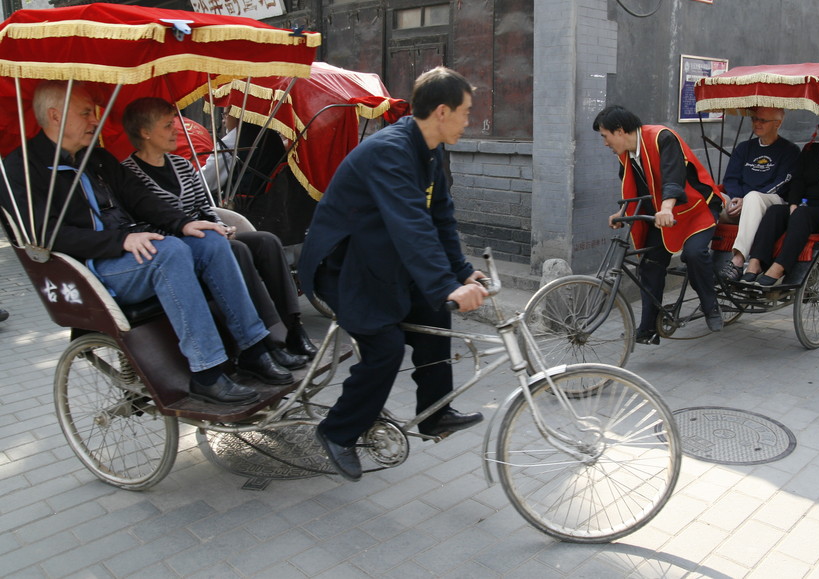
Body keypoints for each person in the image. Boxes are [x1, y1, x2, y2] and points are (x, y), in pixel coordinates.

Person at [2, 81, 294, 405]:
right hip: (91, 266)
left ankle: (253, 348)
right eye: (86, 113)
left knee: (209, 240)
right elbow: (45, 235)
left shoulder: (95, 157)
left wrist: (183, 222)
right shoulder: (21, 169)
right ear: (55, 116)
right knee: (169, 252)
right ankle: (207, 372)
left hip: (132, 251)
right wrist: (122, 240)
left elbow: (141, 199)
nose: (94, 121)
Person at [298, 67, 489, 482]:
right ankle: (337, 432)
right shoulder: (391, 150)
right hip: (343, 266)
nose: (469, 120)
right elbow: (410, 225)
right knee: (385, 348)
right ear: (442, 111)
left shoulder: (431, 149)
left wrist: (460, 274)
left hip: (383, 259)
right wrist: (446, 284)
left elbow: (440, 217)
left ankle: (435, 415)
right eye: (466, 112)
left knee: (436, 312)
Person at [119, 97, 316, 367]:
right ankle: (267, 338)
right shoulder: (128, 175)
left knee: (266, 241)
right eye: (168, 125)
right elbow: (142, 223)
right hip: (177, 248)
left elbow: (204, 207)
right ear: (145, 132)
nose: (176, 130)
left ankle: (293, 328)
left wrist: (221, 227)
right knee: (237, 249)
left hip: (207, 235)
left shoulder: (181, 165)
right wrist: (199, 232)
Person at [594, 105, 723, 343]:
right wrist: (621, 212)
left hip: (696, 208)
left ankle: (710, 306)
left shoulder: (662, 137)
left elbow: (674, 176)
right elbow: (635, 188)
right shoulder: (627, 155)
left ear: (620, 131)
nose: (605, 143)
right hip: (664, 214)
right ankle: (648, 329)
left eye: (605, 136)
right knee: (650, 266)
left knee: (694, 254)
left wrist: (665, 207)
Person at [742, 120, 819, 286]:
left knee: (801, 214)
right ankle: (755, 262)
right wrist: (793, 203)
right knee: (775, 211)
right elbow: (798, 180)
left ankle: (780, 266)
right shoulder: (812, 150)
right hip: (807, 205)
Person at [718, 107, 800, 280]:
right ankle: (698, 253)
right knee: (711, 200)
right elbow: (730, 179)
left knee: (753, 198)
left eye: (762, 120)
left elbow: (782, 181)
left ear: (777, 123)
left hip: (769, 201)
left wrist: (747, 199)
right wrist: (736, 198)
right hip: (739, 202)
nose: (756, 123)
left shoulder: (789, 150)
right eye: (754, 119)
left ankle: (738, 261)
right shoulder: (744, 148)